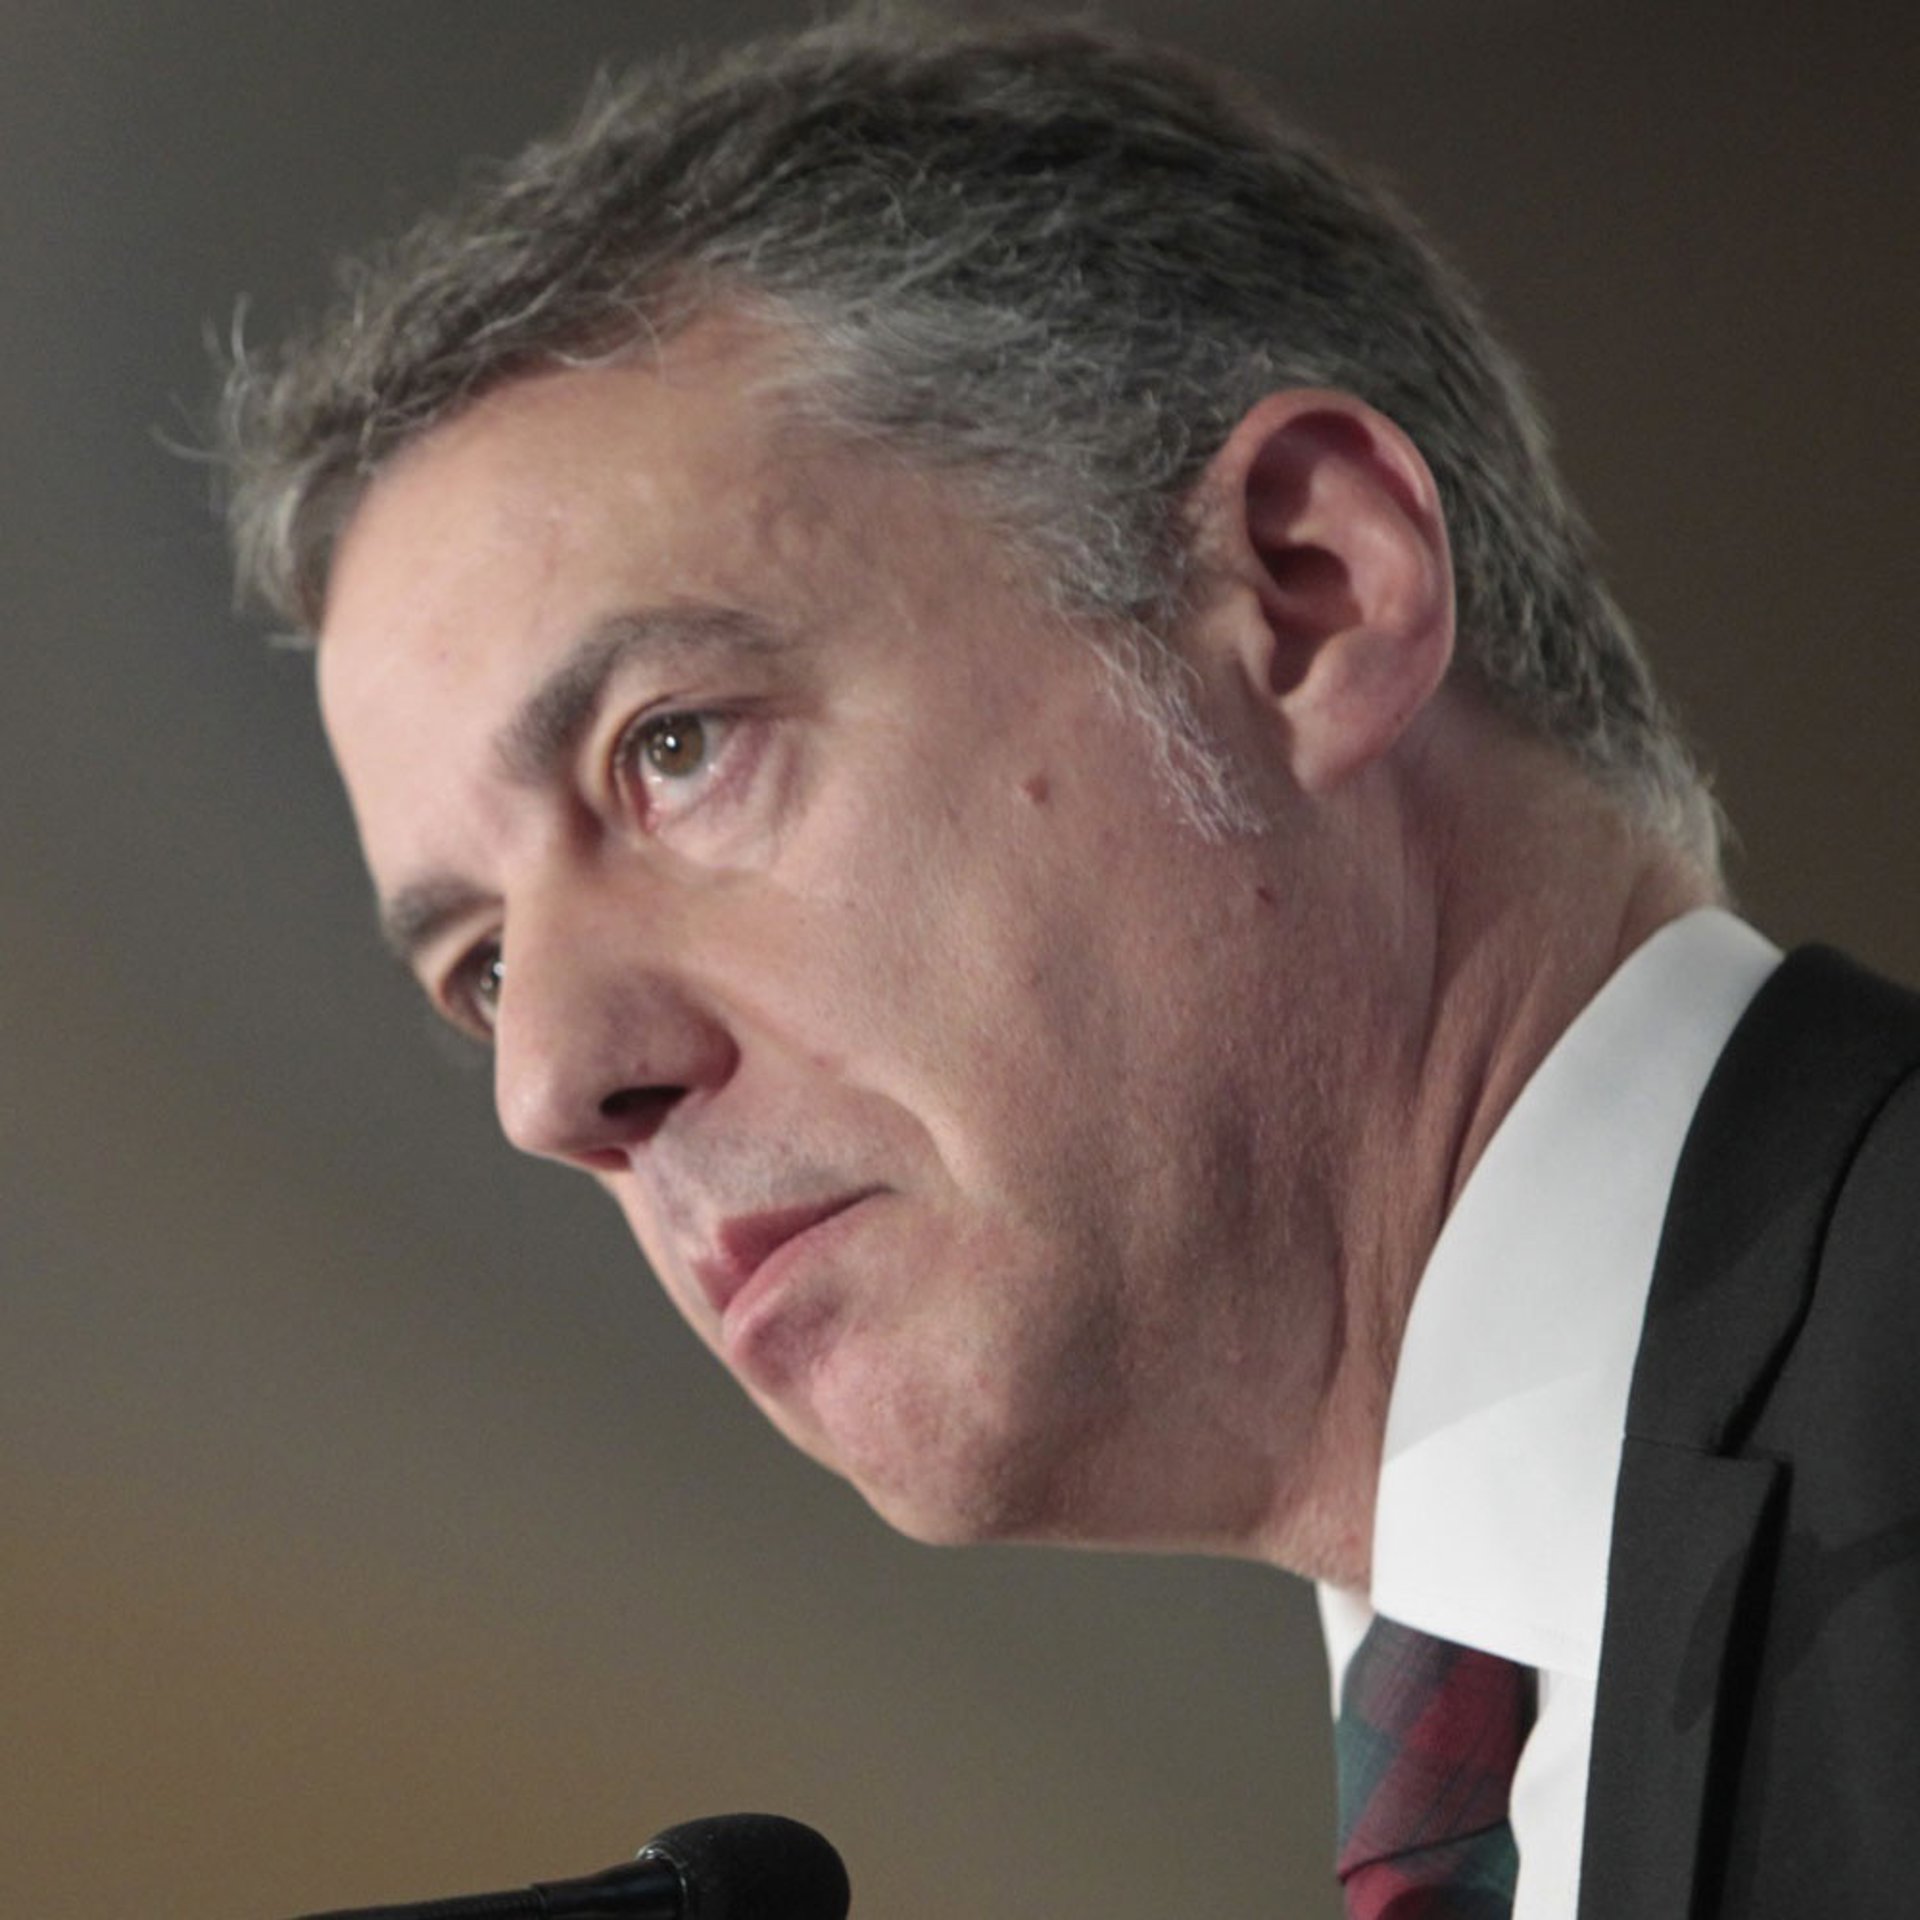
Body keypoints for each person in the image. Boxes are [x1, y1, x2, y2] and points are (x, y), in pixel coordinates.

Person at [217, 16, 1920, 1918]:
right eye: (478, 969)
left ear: (1308, 594)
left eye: (672, 747)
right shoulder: (1505, 1748)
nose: (551, 1083)